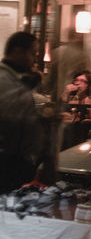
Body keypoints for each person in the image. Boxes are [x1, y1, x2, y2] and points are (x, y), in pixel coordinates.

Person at [0, 31, 45, 192]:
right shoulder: (5, 80)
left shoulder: (14, 79)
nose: (34, 59)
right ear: (18, 51)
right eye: (33, 53)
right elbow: (12, 117)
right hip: (8, 162)